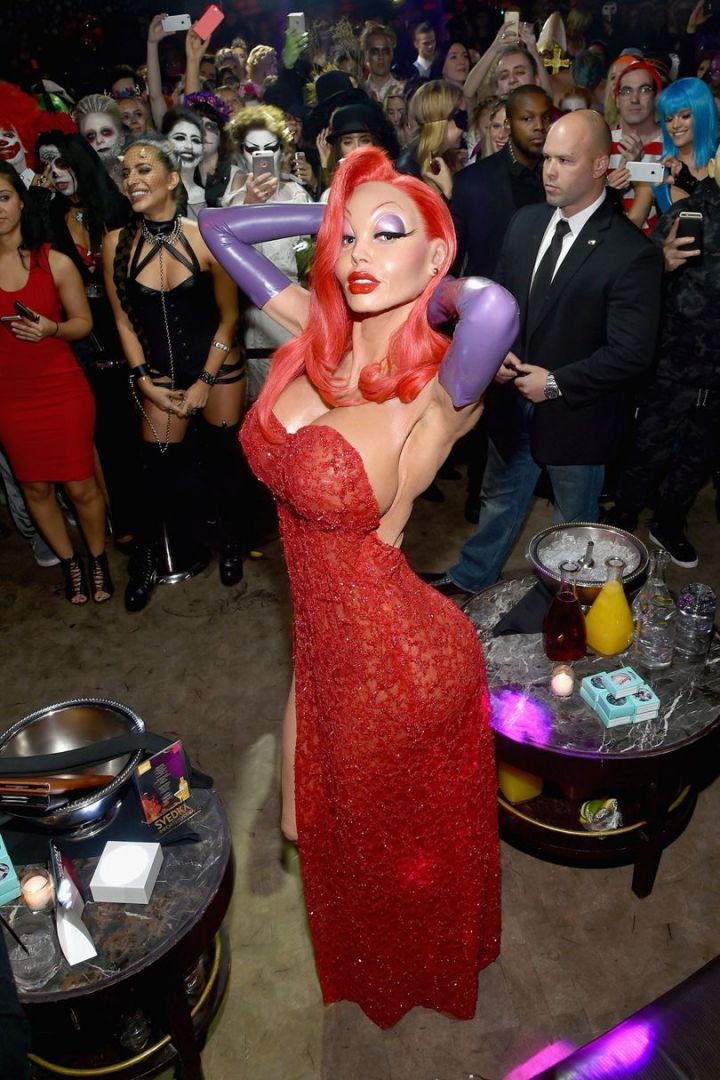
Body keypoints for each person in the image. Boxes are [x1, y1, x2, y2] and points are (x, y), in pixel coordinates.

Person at [199, 146, 518, 1028]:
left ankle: (426, 969)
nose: (359, 254)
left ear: (437, 254)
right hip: (326, 641)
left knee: (398, 842)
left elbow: (495, 306)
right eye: (348, 239)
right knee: (318, 830)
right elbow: (219, 227)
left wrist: (434, 284)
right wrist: (337, 213)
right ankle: (386, 967)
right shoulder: (317, 336)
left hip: (401, 659)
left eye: (389, 234)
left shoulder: (442, 390)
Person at [428, 111, 663, 596]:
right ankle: (473, 576)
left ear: (600, 165)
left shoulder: (630, 253)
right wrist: (497, 353)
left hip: (578, 416)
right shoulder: (526, 222)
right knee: (499, 499)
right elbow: (503, 304)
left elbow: (632, 353)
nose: (549, 171)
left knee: (573, 526)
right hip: (512, 403)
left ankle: (566, 602)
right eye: (548, 159)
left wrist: (555, 383)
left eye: (565, 161)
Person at [103, 135, 245, 608]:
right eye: (126, 172)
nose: (132, 179)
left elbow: (229, 318)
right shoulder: (116, 243)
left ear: (171, 178)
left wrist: (204, 382)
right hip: (158, 374)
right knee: (156, 473)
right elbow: (123, 320)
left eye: (143, 169)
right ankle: (145, 559)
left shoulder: (205, 235)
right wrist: (145, 381)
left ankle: (231, 541)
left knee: (224, 461)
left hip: (218, 368)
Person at [0, 162, 112, 604]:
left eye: (4, 197)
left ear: (21, 201)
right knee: (34, 486)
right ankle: (71, 564)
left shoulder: (53, 260)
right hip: (9, 394)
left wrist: (52, 329)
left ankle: (98, 560)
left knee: (80, 484)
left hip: (61, 387)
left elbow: (83, 323)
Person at [604, 148, 720, 567]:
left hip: (717, 374)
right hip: (674, 362)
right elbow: (635, 281)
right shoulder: (688, 214)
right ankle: (623, 514)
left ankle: (670, 522)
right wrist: (663, 264)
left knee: (698, 455)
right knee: (648, 446)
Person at [606, 60, 664, 232]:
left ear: (656, 97)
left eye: (644, 90)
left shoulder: (672, 145)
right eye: (626, 91)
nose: (634, 99)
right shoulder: (602, 143)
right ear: (617, 100)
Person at [396, 80, 468, 200]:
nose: (466, 128)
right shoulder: (408, 170)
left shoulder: (443, 158)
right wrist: (448, 192)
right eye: (462, 118)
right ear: (442, 123)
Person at [72, 95, 125, 190]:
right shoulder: (80, 187)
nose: (99, 140)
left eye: (106, 132)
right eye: (90, 136)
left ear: (122, 137)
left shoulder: (144, 172)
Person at [361, 24, 403, 104]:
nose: (381, 57)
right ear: (366, 55)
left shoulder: (403, 92)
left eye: (385, 51)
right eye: (375, 52)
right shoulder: (360, 92)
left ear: (392, 54)